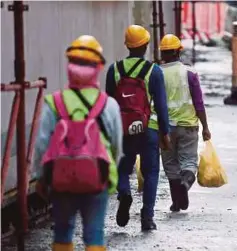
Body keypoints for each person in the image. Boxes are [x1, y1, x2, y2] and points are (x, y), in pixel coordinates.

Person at [34, 35, 123, 251]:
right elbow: (116, 146)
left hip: (61, 178)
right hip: (96, 177)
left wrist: (40, 177)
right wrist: (110, 171)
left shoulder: (55, 102)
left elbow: (41, 144)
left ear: (69, 66)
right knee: (95, 234)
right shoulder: (108, 104)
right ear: (98, 67)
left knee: (63, 231)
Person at [105, 25, 171, 231]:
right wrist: (165, 133)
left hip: (123, 129)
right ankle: (147, 217)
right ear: (145, 45)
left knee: (123, 168)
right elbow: (161, 105)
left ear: (127, 45)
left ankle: (124, 193)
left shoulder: (114, 70)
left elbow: (108, 102)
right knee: (151, 172)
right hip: (148, 128)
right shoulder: (154, 71)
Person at [158, 34, 211, 212]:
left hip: (165, 127)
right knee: (188, 162)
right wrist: (205, 127)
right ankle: (185, 185)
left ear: (162, 53)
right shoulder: (190, 73)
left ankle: (176, 202)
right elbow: (199, 103)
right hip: (188, 125)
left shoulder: (156, 73)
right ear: (178, 52)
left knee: (170, 164)